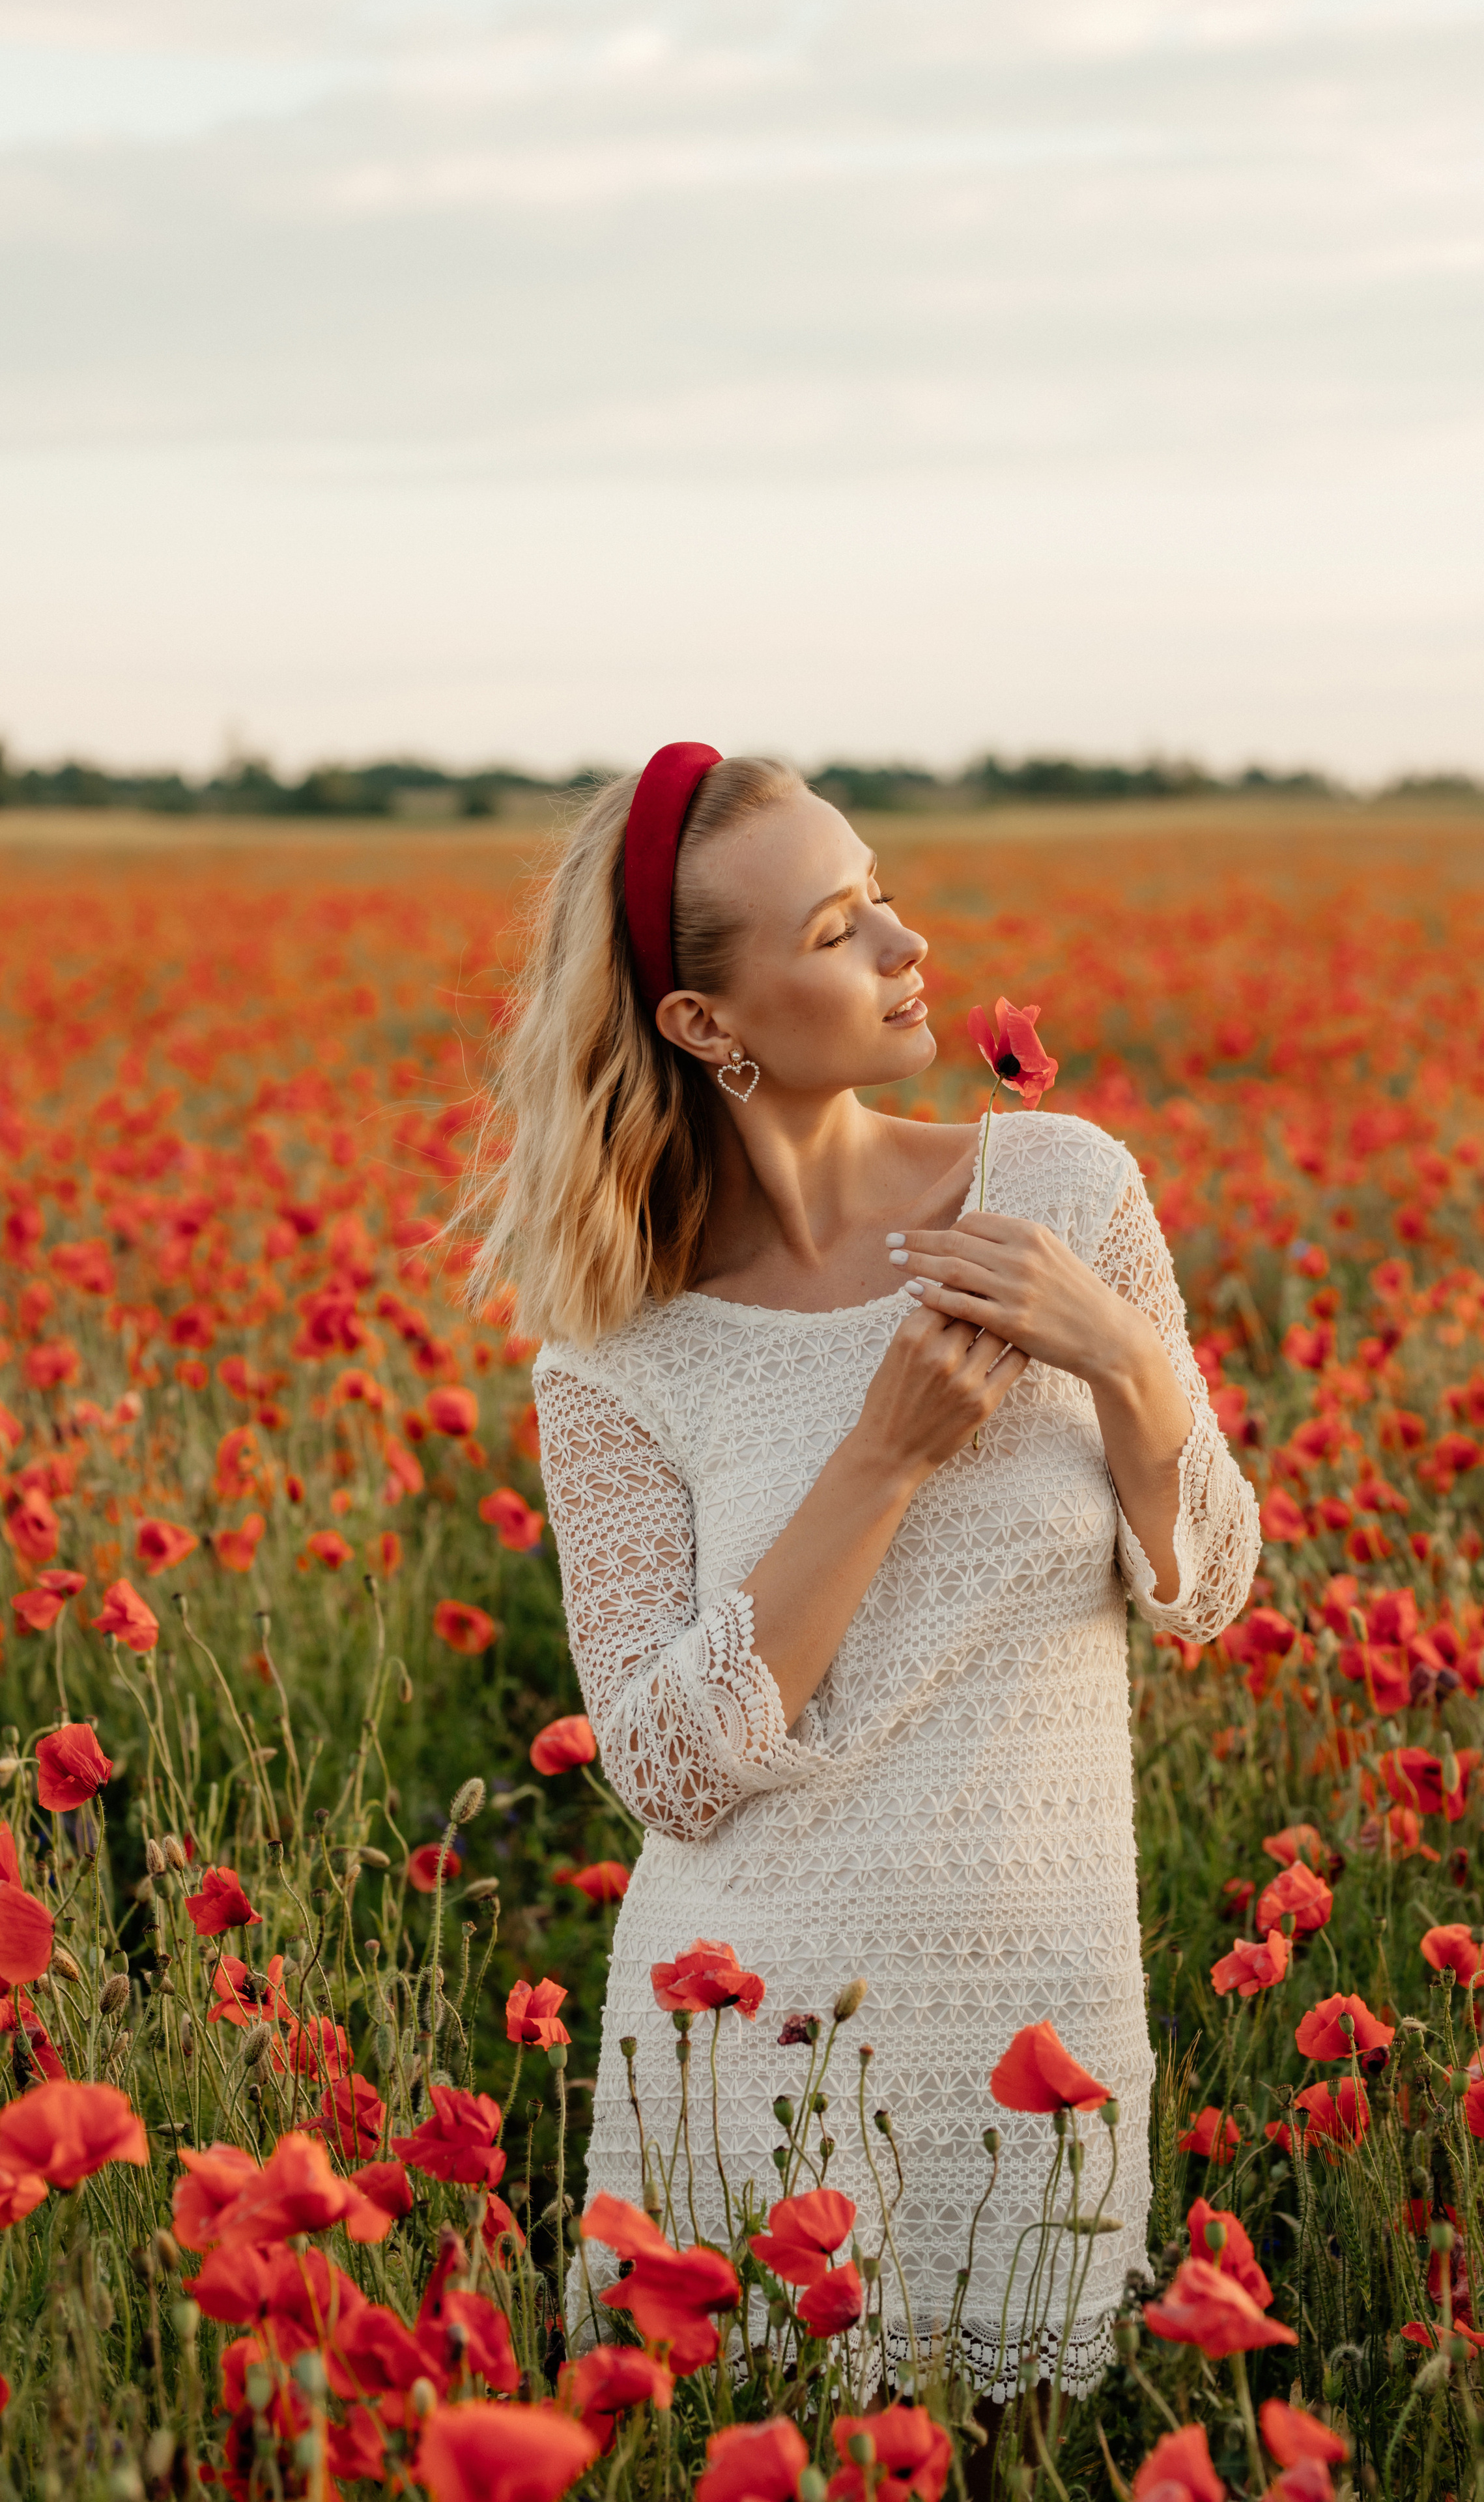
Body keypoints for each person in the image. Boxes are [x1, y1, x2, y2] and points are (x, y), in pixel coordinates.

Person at [468, 745, 1260, 2396]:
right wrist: (881, 1457)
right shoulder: (621, 1349)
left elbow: (1205, 1590)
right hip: (752, 2043)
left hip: (1037, 2006)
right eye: (839, 929)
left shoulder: (1061, 1190)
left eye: (881, 896)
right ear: (705, 1024)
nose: (907, 949)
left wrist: (1124, 1359)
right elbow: (665, 1768)